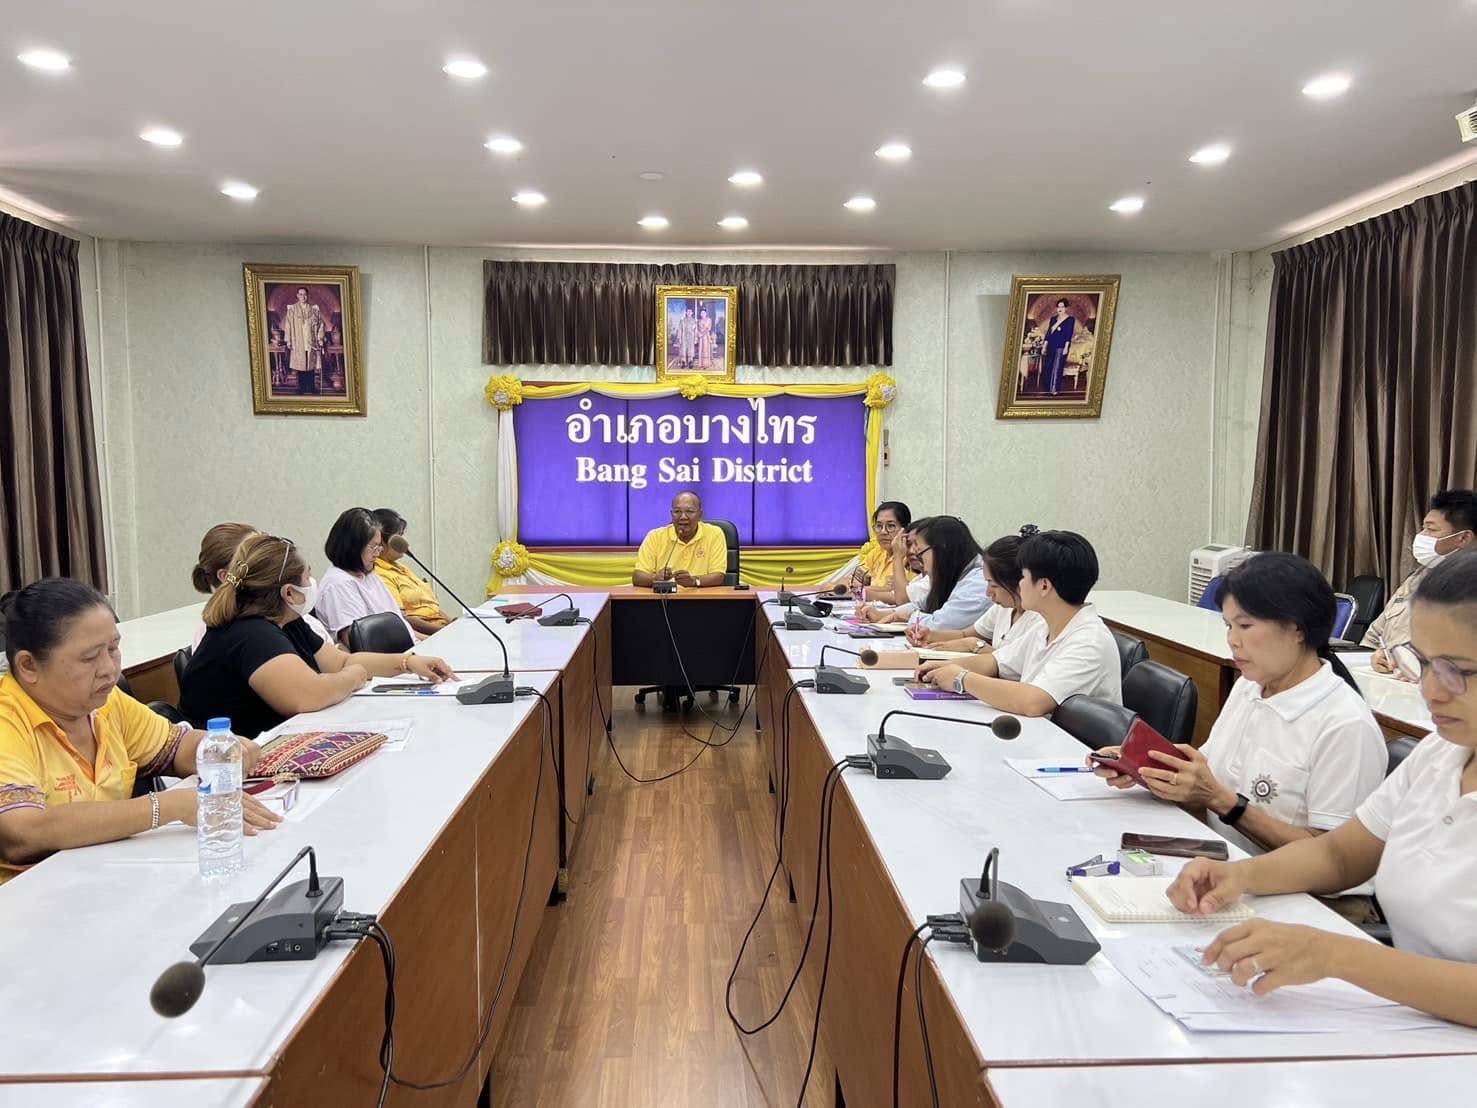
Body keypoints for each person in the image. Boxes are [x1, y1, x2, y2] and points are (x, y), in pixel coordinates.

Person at [1164, 551, 1477, 1028]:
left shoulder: (1349, 723)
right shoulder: (1443, 754)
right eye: (1424, 663)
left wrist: (1335, 955)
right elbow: (1339, 856)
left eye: (1457, 669)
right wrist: (1241, 878)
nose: (1430, 691)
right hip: (1417, 1023)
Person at [1093, 553, 1386, 855]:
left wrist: (1225, 803)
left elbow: (1335, 861)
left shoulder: (1346, 725)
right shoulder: (1249, 686)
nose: (1232, 640)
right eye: (1228, 626)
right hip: (1221, 860)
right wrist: (1148, 767)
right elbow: (1206, 781)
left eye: (1245, 626)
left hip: (1298, 894)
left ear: (1298, 628)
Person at [0, 579, 282, 884]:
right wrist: (167, 806)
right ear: (29, 666)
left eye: (113, 649)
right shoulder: (8, 720)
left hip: (104, 877)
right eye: (90, 657)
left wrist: (219, 746)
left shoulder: (104, 703)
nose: (110, 669)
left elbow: (176, 749)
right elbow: (23, 833)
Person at [180, 534, 455, 739]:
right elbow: (310, 695)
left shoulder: (287, 621)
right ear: (289, 593)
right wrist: (355, 677)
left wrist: (407, 662)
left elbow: (339, 662)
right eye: (308, 575)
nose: (313, 583)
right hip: (233, 775)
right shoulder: (250, 633)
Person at [917, 530, 1119, 716]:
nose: (1018, 584)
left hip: (1075, 749)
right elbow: (996, 662)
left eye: (1022, 577)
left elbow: (1032, 701)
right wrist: (943, 667)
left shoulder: (1089, 641)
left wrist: (961, 678)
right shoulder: (1046, 626)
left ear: (1044, 586)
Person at [1366, 489, 1477, 675]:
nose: (1421, 536)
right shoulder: (1417, 578)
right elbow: (1374, 637)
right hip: (1389, 687)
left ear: (1464, 538)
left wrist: (1426, 670)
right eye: (1423, 528)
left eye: (1431, 530)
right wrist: (1377, 657)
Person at [190, 522, 338, 652]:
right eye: (252, 555)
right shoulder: (229, 633)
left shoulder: (288, 617)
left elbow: (336, 662)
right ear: (225, 576)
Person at [910, 528, 1044, 654]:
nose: (988, 593)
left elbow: (1012, 666)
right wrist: (931, 636)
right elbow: (966, 634)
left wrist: (973, 645)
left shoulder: (1040, 620)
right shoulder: (1004, 608)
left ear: (1019, 581)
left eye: (994, 585)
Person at [868, 516, 990, 632]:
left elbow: (942, 624)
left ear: (942, 549)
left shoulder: (979, 583)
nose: (920, 561)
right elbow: (923, 604)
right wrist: (886, 614)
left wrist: (909, 616)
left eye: (920, 554)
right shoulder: (955, 574)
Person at [316, 507, 417, 646]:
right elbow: (359, 644)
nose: (377, 553)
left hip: (406, 652)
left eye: (379, 547)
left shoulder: (368, 575)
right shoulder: (338, 585)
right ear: (353, 546)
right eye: (373, 547)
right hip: (385, 662)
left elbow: (404, 628)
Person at [371, 509, 452, 636]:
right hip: (424, 636)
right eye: (399, 537)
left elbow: (431, 607)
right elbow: (402, 618)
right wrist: (444, 631)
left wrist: (451, 622)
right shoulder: (379, 574)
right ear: (381, 541)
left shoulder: (401, 568)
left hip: (440, 628)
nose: (404, 543)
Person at [632, 491, 728, 589]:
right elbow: (637, 577)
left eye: (689, 511)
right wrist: (655, 578)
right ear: (671, 514)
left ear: (700, 515)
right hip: (665, 598)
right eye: (677, 511)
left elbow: (718, 576)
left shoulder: (714, 534)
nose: (683, 517)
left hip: (702, 598)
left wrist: (694, 581)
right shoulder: (655, 536)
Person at [842, 502, 912, 601]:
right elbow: (854, 580)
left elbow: (896, 593)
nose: (883, 532)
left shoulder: (912, 557)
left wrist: (858, 590)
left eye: (891, 526)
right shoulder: (877, 553)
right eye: (879, 526)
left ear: (906, 529)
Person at [281, 287, 319, 395]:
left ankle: (311, 387)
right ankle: (302, 388)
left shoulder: (313, 309)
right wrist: (288, 340)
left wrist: (319, 338)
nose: (303, 296)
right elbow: (288, 325)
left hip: (309, 341)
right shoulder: (292, 309)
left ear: (307, 296)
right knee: (301, 365)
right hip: (298, 340)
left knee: (310, 364)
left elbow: (318, 324)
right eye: (301, 294)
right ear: (297, 295)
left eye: (305, 294)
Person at [1039, 299, 1075, 396]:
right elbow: (1048, 334)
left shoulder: (1070, 319)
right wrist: (1044, 346)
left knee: (1057, 367)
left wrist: (1066, 347)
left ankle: (1054, 389)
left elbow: (1069, 334)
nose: (1060, 309)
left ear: (1066, 308)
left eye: (1062, 307)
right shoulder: (1053, 319)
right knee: (1048, 366)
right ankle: (1047, 388)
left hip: (1061, 346)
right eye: (1058, 306)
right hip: (1051, 345)